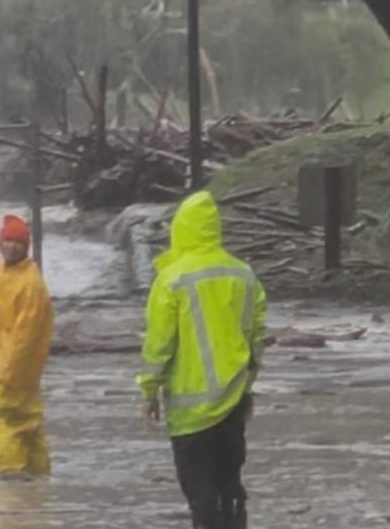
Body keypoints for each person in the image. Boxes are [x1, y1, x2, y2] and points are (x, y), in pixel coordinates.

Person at [138, 191, 266, 529]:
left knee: (199, 491)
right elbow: (255, 341)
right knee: (230, 483)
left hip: (190, 411)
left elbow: (159, 344)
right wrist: (248, 390)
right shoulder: (244, 275)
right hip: (233, 402)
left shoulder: (172, 279)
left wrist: (149, 391)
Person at [0, 214, 54, 478]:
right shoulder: (6, 272)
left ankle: (9, 469)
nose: (12, 246)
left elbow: (24, 339)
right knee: (28, 422)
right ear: (0, 243)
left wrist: (5, 373)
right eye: (7, 241)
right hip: (24, 369)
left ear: (26, 246)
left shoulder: (30, 285)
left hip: (14, 367)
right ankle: (38, 473)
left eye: (18, 242)